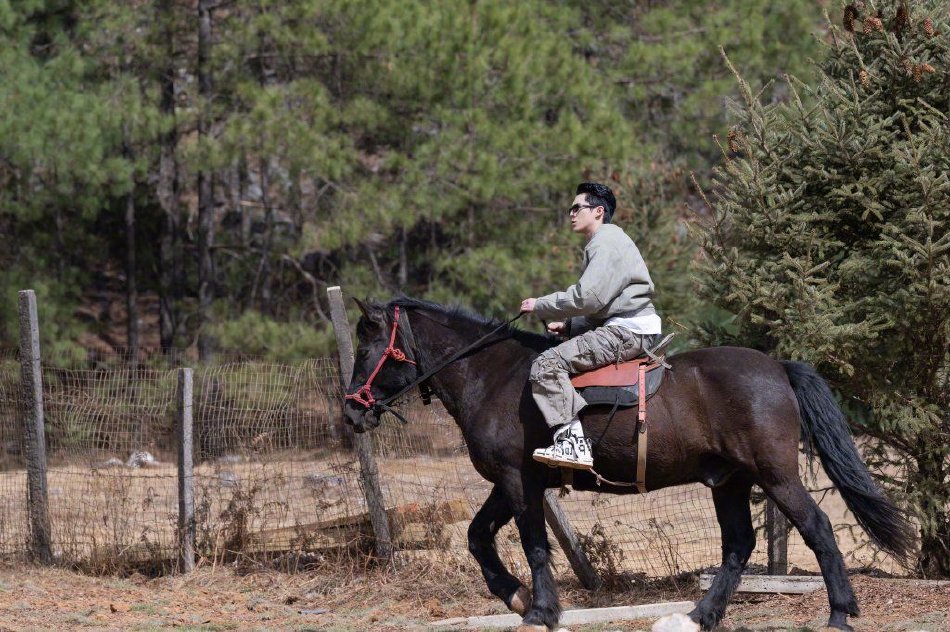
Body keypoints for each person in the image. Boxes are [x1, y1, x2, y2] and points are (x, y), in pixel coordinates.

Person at [520, 182, 661, 470]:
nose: (571, 213)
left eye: (576, 208)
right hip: (630, 326)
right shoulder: (609, 241)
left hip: (627, 331)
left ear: (598, 211)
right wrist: (571, 326)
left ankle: (573, 445)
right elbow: (604, 303)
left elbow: (589, 297)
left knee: (545, 365)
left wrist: (540, 304)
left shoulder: (605, 241)